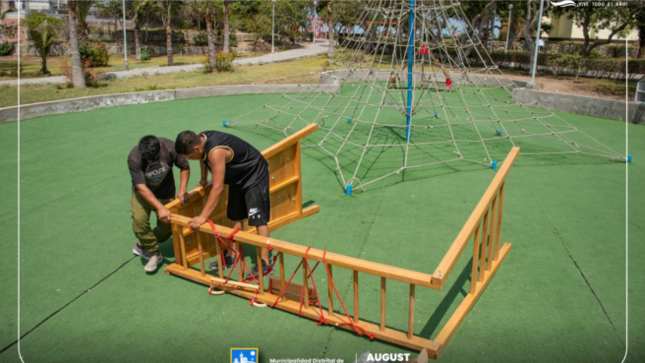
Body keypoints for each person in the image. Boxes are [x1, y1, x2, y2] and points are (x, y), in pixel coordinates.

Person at [174, 130, 271, 279]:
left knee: (258, 219)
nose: (191, 159)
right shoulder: (201, 140)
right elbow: (202, 159)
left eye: (189, 157)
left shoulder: (216, 152)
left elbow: (218, 188)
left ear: (196, 149)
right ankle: (233, 255)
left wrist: (202, 216)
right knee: (234, 214)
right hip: (237, 176)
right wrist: (204, 178)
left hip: (254, 174)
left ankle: (264, 262)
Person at [128, 135, 190, 273]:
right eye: (147, 159)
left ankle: (143, 245)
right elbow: (141, 187)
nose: (150, 161)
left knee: (168, 226)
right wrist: (160, 207)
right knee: (140, 220)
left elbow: (184, 166)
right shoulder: (134, 157)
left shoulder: (169, 147)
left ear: (159, 147)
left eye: (153, 158)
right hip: (143, 192)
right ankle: (153, 252)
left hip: (166, 191)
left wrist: (182, 190)